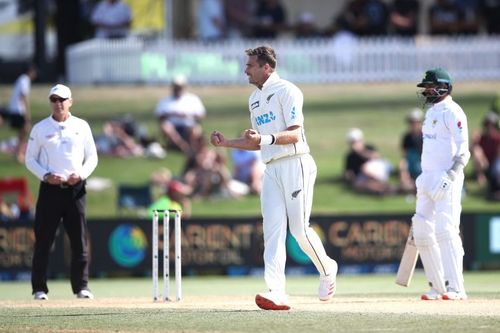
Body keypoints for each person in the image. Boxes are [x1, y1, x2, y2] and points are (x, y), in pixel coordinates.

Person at [210, 45, 337, 310]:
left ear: (266, 67)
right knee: (272, 232)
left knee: (299, 231)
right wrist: (227, 144)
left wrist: (264, 138)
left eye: (250, 65)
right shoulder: (253, 99)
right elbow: (258, 143)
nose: (246, 70)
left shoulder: (288, 91)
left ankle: (327, 269)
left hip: (296, 162)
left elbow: (294, 134)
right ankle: (276, 291)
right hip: (271, 168)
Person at [25, 84, 98, 300]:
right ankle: (39, 288)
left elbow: (92, 156)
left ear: (70, 101)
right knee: (44, 240)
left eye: (62, 99)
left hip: (75, 189)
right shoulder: (40, 128)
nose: (58, 104)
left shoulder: (81, 126)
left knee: (78, 240)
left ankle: (81, 287)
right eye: (54, 100)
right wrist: (46, 175)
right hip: (50, 190)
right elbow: (30, 159)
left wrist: (82, 174)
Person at [412, 68, 470, 301]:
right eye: (425, 87)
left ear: (444, 87)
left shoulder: (454, 112)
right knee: (422, 228)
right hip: (427, 177)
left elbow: (464, 150)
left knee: (446, 230)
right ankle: (438, 286)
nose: (426, 91)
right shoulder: (431, 113)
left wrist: (451, 176)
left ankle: (457, 287)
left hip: (447, 178)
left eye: (430, 86)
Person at [155, 75, 206, 157]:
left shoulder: (193, 99)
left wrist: (188, 115)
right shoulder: (165, 101)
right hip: (173, 126)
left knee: (196, 129)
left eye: (180, 87)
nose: (178, 89)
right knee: (166, 127)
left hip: (189, 125)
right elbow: (159, 116)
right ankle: (185, 148)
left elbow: (201, 115)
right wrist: (173, 114)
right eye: (176, 87)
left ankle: (194, 149)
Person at [1, 64, 37, 163]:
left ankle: (18, 153)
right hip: (18, 110)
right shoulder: (25, 80)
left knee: (22, 132)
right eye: (34, 72)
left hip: (14, 109)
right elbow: (23, 97)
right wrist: (27, 114)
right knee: (24, 130)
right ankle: (19, 154)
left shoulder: (21, 79)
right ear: (30, 72)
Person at [343, 128, 394, 195]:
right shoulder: (350, 156)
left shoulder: (368, 148)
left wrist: (360, 152)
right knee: (358, 184)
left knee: (364, 168)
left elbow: (376, 157)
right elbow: (349, 171)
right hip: (364, 176)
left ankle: (383, 186)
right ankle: (380, 190)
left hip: (377, 171)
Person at [471, 112, 500, 199]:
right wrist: (474, 140)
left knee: (497, 169)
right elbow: (470, 151)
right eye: (487, 124)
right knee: (477, 150)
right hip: (484, 164)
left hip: (495, 163)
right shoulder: (481, 137)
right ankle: (480, 176)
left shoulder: (498, 137)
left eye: (491, 125)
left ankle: (495, 190)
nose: (489, 127)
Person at [399, 108, 424, 194]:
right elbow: (405, 154)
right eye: (411, 122)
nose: (413, 124)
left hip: (422, 165)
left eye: (415, 122)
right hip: (411, 163)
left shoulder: (426, 136)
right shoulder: (407, 137)